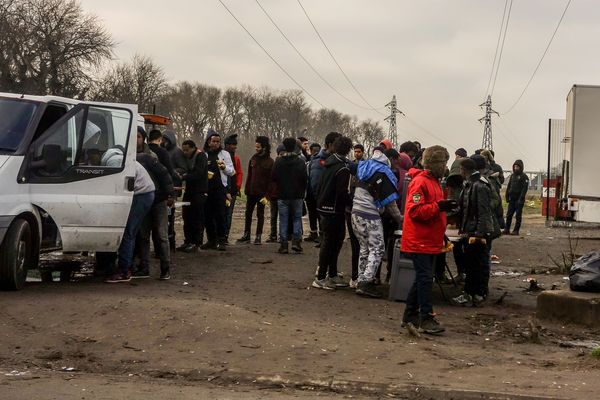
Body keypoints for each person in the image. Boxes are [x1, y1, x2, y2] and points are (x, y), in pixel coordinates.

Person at [401, 145, 453, 334]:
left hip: (428, 239)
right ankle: (426, 318)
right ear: (436, 163)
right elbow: (414, 211)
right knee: (424, 279)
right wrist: (439, 207)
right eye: (444, 162)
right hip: (419, 240)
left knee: (423, 278)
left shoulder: (434, 182)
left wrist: (443, 207)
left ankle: (410, 316)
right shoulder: (420, 182)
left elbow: (430, 208)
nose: (446, 166)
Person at [351, 147, 403, 297]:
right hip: (370, 214)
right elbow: (391, 204)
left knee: (364, 247)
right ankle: (366, 282)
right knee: (378, 248)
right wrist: (401, 219)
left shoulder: (365, 165)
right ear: (391, 160)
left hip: (356, 212)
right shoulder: (385, 172)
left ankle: (360, 279)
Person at [105, 154, 155, 283]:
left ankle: (124, 271)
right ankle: (127, 266)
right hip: (146, 193)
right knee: (131, 232)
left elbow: (113, 181)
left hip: (141, 194)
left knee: (128, 232)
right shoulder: (118, 157)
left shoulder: (113, 161)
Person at [452, 157, 495, 306]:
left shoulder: (479, 186)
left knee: (476, 264)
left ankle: (473, 294)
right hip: (470, 230)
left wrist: (479, 233)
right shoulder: (470, 184)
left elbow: (483, 212)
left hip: (477, 231)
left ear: (465, 170)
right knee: (472, 263)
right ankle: (474, 293)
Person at [313, 136, 353, 290]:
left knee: (333, 241)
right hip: (335, 210)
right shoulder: (343, 168)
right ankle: (321, 277)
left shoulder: (328, 163)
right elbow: (342, 192)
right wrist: (351, 202)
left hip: (323, 207)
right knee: (331, 243)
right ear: (348, 150)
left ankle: (332, 273)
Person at [134, 130, 175, 280]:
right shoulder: (129, 156)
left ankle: (165, 268)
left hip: (157, 200)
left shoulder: (151, 157)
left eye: (138, 136)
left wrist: (170, 195)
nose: (135, 140)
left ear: (144, 139)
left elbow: (164, 175)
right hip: (142, 201)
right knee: (142, 235)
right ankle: (144, 267)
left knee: (161, 234)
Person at [271, 138, 307, 254]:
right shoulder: (300, 162)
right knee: (297, 218)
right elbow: (305, 179)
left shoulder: (279, 161)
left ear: (285, 147)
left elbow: (273, 177)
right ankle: (296, 242)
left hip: (282, 195)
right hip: (297, 195)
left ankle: (284, 244)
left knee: (283, 219)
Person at [202, 130, 235, 251]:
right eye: (213, 141)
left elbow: (232, 171)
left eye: (217, 141)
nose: (215, 143)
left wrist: (224, 167)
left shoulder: (225, 154)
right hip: (206, 188)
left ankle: (222, 240)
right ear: (208, 142)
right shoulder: (203, 154)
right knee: (207, 215)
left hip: (220, 188)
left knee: (220, 215)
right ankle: (211, 240)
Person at [309, 132, 342, 247]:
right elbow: (315, 183)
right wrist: (321, 199)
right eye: (337, 144)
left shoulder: (336, 159)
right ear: (329, 144)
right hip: (322, 200)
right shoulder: (319, 160)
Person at [238, 136, 273, 245]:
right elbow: (249, 175)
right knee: (248, 213)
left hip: (262, 194)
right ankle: (246, 235)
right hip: (251, 192)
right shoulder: (253, 158)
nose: (256, 148)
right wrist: (247, 189)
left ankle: (258, 236)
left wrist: (267, 196)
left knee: (260, 214)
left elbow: (271, 181)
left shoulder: (270, 162)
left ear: (264, 147)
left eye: (258, 147)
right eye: (256, 146)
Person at [179, 140, 208, 253]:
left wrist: (184, 177)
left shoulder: (201, 156)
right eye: (184, 150)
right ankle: (188, 241)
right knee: (187, 216)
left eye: (187, 150)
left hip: (199, 192)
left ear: (193, 148)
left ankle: (196, 243)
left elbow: (198, 174)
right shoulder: (186, 158)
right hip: (189, 191)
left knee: (197, 218)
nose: (185, 152)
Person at [162, 129, 187, 250]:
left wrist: (171, 172)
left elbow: (183, 168)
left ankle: (171, 244)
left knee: (170, 217)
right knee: (165, 217)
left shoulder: (177, 152)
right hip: (165, 187)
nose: (164, 142)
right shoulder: (164, 151)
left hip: (173, 189)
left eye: (166, 139)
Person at [224, 134, 243, 244]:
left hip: (233, 191)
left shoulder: (236, 158)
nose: (235, 147)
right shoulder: (221, 157)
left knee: (228, 213)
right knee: (222, 212)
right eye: (233, 145)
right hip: (223, 190)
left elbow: (239, 172)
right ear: (227, 145)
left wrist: (238, 186)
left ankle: (225, 235)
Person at [504, 160, 529, 235]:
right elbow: (509, 186)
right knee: (509, 215)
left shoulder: (524, 177)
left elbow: (524, 189)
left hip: (519, 200)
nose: (516, 168)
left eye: (517, 167)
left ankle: (516, 230)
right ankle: (506, 229)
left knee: (518, 216)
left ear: (520, 167)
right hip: (512, 199)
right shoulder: (512, 176)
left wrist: (521, 199)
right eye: (515, 166)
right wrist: (507, 196)